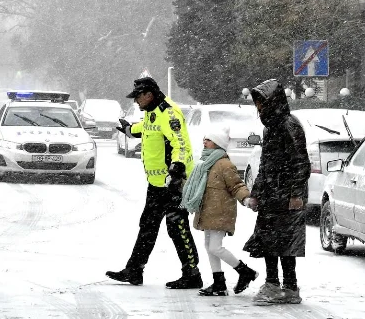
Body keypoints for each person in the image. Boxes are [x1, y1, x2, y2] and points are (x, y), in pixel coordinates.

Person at [106, 77, 202, 289]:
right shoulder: (152, 113)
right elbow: (149, 128)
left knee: (177, 226)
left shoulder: (169, 113)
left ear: (148, 95)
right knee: (147, 226)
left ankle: (192, 273)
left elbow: (181, 144)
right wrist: (130, 130)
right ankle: (134, 270)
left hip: (173, 183)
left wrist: (176, 171)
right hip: (157, 184)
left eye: (138, 97)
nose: (136, 102)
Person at [243, 79, 311, 305]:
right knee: (268, 240)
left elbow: (301, 163)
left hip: (285, 195)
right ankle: (277, 284)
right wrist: (256, 193)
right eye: (257, 102)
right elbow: (265, 164)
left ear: (273, 102)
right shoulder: (270, 127)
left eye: (262, 102)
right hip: (272, 194)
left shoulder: (289, 125)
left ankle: (284, 286)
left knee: (284, 242)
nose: (259, 107)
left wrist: (296, 195)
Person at [180, 126, 259, 296]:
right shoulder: (204, 163)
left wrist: (246, 198)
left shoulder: (224, 164)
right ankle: (219, 283)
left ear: (217, 144)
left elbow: (237, 185)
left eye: (208, 140)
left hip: (220, 212)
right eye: (204, 139)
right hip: (208, 211)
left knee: (215, 247)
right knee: (209, 247)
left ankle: (245, 271)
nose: (204, 142)